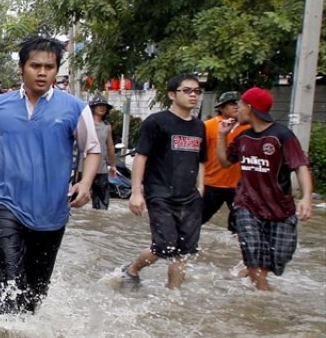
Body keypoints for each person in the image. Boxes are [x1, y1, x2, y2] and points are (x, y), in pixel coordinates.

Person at [0, 35, 101, 314]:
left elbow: (92, 150)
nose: (42, 72)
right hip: (4, 202)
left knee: (35, 293)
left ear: (56, 70)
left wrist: (85, 182)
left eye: (49, 67)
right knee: (9, 284)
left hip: (52, 210)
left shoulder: (74, 108)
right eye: (35, 66)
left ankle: (25, 335)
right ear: (21, 68)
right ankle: (2, 337)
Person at [216, 87, 313, 291]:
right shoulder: (243, 137)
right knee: (253, 251)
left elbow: (300, 166)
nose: (237, 109)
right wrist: (222, 136)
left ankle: (254, 276)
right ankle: (262, 294)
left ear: (249, 108)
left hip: (280, 208)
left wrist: (306, 198)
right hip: (246, 204)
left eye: (240, 105)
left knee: (279, 258)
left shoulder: (282, 135)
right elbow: (225, 162)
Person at [120, 74, 207, 289]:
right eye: (187, 90)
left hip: (189, 197)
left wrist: (201, 188)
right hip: (160, 194)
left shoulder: (199, 127)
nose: (193, 95)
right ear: (172, 95)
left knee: (184, 251)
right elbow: (141, 157)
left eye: (197, 91)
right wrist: (136, 192)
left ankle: (173, 294)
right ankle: (132, 269)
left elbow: (201, 160)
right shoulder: (156, 122)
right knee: (164, 246)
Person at [201, 91, 249, 232]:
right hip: (211, 183)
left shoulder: (248, 128)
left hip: (239, 186)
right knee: (195, 220)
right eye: (232, 104)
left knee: (239, 225)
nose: (236, 106)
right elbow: (198, 155)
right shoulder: (208, 126)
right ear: (221, 107)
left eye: (239, 103)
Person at [86, 95, 118, 210]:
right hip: (83, 168)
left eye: (104, 106)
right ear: (93, 107)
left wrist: (113, 165)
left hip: (101, 169)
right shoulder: (84, 123)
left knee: (102, 206)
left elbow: (110, 147)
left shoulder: (107, 127)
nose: (102, 108)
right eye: (99, 105)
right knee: (78, 201)